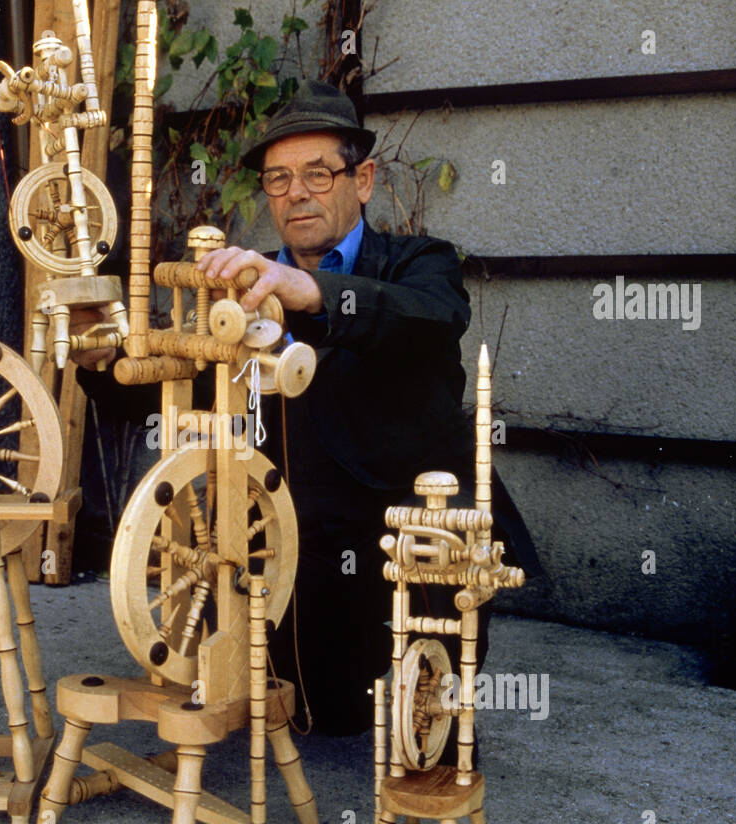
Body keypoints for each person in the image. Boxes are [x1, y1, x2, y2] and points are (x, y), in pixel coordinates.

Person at [76, 80, 540, 747]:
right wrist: (98, 355)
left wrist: (313, 292)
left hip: (404, 540)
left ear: (365, 179)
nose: (297, 193)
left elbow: (428, 321)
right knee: (303, 711)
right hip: (296, 551)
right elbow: (160, 385)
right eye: (279, 178)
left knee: (396, 722)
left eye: (318, 174)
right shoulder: (244, 286)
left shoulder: (421, 265)